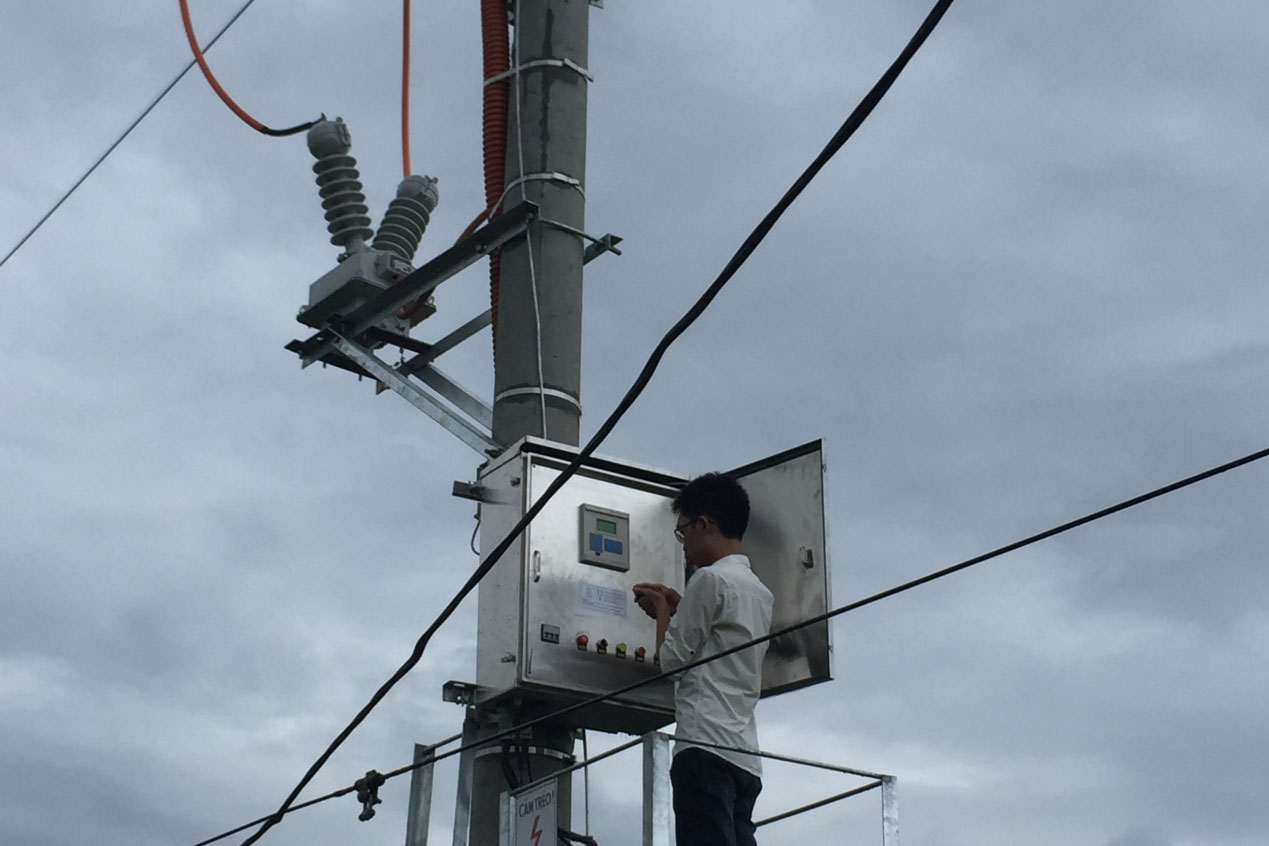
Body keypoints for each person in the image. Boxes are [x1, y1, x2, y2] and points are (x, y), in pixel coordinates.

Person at [633, 473, 774, 846]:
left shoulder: (708, 580)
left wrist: (662, 610)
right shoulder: (760, 592)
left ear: (704, 524)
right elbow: (720, 642)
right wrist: (681, 609)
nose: (683, 545)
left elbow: (672, 662)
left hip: (703, 744)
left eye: (683, 532)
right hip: (744, 755)